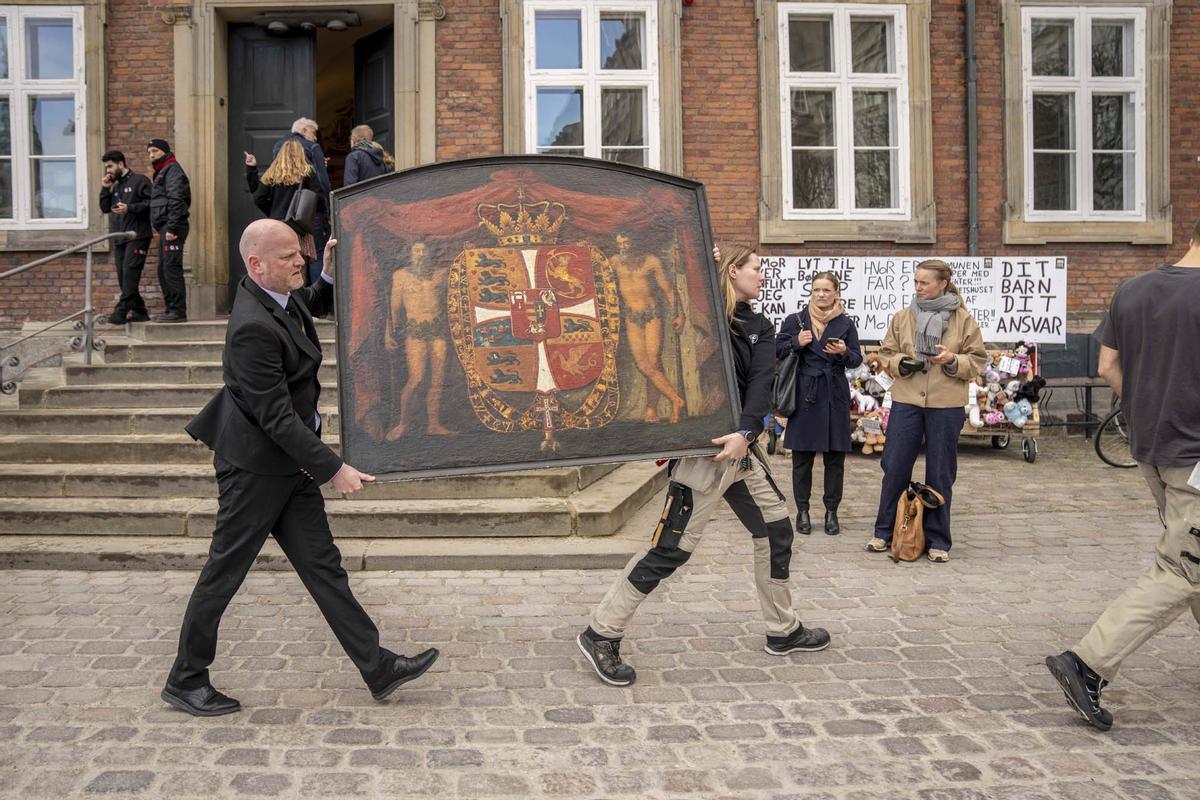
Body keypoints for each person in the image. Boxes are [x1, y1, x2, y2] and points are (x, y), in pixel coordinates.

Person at [162, 219, 438, 716]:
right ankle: (186, 679)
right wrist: (334, 468)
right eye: (289, 256)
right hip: (255, 469)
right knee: (224, 571)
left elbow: (300, 304)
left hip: (289, 466)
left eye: (301, 253)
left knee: (324, 568)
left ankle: (377, 667)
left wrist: (328, 278)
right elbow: (276, 418)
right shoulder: (250, 328)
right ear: (256, 264)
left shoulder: (274, 299)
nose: (301, 261)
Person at [577, 244, 830, 687]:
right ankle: (602, 631)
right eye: (756, 268)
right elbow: (677, 305)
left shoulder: (759, 325)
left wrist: (747, 433)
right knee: (670, 549)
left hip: (741, 451)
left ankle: (783, 629)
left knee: (775, 531)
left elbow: (759, 384)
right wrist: (697, 261)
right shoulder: (702, 313)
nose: (762, 276)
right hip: (704, 457)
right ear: (733, 271)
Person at [1045, 220, 1200, 732]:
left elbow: (1109, 365)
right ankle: (1088, 662)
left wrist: (1147, 403)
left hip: (1153, 446)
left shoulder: (1133, 289)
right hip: (1197, 454)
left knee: (1189, 549)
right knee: (1183, 566)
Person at [866, 259, 986, 563]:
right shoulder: (903, 317)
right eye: (916, 281)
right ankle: (884, 532)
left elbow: (977, 360)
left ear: (942, 283)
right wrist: (898, 364)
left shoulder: (963, 320)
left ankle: (938, 540)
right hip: (907, 400)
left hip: (946, 404)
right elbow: (887, 352)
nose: (918, 286)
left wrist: (951, 359)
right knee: (894, 466)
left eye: (924, 282)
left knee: (941, 472)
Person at [776, 272, 863, 536]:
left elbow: (857, 359)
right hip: (805, 393)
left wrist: (844, 352)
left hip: (834, 393)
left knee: (834, 459)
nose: (821, 294)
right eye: (817, 290)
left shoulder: (846, 323)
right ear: (811, 292)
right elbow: (776, 350)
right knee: (802, 458)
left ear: (836, 292)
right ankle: (802, 511)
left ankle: (831, 512)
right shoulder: (796, 320)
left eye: (827, 290)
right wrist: (795, 342)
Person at [611, 231, 686, 423]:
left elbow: (668, 289)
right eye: (620, 243)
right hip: (631, 317)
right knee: (643, 365)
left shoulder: (650, 261)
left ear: (634, 242)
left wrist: (680, 314)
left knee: (652, 362)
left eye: (626, 242)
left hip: (652, 315)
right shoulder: (614, 262)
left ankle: (653, 410)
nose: (623, 247)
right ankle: (675, 399)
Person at [384, 241, 452, 440]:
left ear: (429, 253)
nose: (421, 254)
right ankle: (403, 424)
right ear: (410, 254)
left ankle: (433, 424)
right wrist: (388, 333)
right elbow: (394, 309)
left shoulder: (441, 274)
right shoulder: (401, 276)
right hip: (415, 331)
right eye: (417, 250)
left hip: (437, 330)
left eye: (424, 250)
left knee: (438, 380)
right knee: (417, 378)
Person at [244, 140, 321, 265]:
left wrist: (273, 211)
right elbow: (318, 199)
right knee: (300, 264)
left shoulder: (272, 174)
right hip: (299, 227)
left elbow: (258, 198)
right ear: (301, 154)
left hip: (277, 225)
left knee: (278, 262)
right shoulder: (308, 173)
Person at [98, 150, 152, 325]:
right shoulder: (116, 186)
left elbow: (152, 203)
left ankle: (120, 312)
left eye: (111, 166)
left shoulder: (140, 181)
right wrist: (105, 189)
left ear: (121, 164)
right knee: (123, 278)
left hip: (137, 236)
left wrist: (130, 208)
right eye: (107, 167)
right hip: (120, 238)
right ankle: (139, 311)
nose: (108, 171)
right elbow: (105, 208)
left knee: (130, 274)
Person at [275, 118, 332, 284]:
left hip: (283, 213)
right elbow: (322, 183)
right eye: (314, 133)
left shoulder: (278, 146)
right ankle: (317, 300)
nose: (315, 138)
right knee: (315, 254)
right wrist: (327, 211)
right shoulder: (313, 147)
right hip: (310, 211)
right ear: (305, 130)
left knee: (286, 253)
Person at [147, 139, 191, 322]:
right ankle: (170, 309)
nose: (151, 155)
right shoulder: (163, 171)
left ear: (165, 151)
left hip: (173, 227)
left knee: (171, 269)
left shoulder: (172, 169)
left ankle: (177, 311)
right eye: (149, 152)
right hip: (166, 226)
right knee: (163, 269)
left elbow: (176, 199)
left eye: (155, 151)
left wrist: (172, 227)